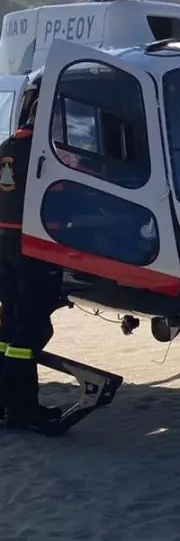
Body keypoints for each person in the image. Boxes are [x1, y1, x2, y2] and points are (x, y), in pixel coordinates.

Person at [0, 86, 64, 432]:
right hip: (32, 249)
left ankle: (6, 403)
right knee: (29, 332)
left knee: (7, 328)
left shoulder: (7, 147)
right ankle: (23, 411)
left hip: (4, 246)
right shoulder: (43, 154)